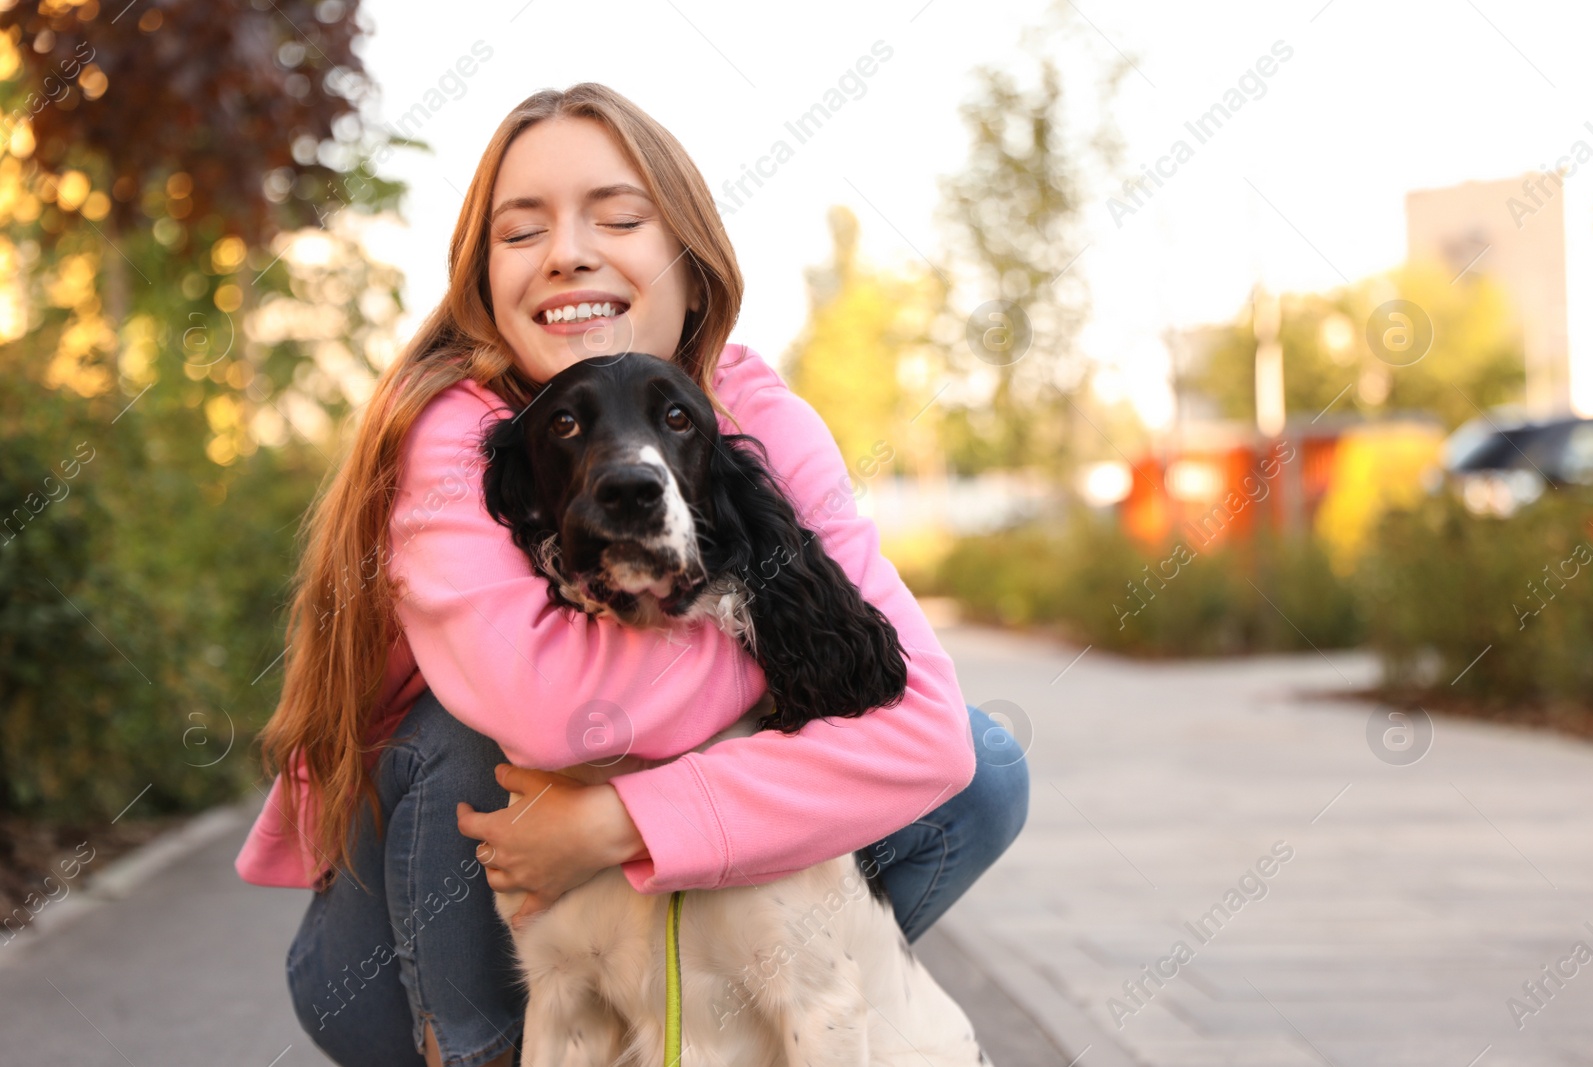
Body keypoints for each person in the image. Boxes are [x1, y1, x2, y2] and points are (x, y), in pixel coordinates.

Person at [235, 82, 1030, 1067]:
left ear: (692, 272)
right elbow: (554, 714)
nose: (569, 250)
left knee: (983, 765)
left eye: (617, 216)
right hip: (407, 948)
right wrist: (766, 631)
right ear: (485, 286)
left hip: (613, 888)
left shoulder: (759, 423)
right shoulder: (455, 429)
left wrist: (620, 822)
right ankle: (471, 1049)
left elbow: (927, 741)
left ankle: (714, 1031)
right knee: (467, 728)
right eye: (522, 231)